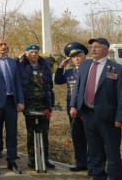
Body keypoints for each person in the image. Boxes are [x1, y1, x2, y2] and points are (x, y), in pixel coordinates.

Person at [70, 37, 122, 180]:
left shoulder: (117, 69)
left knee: (112, 153)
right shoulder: (85, 65)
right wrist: (74, 105)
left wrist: (120, 117)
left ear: (106, 49)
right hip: (88, 115)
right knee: (95, 152)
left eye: (97, 46)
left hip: (109, 118)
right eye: (92, 47)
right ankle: (98, 176)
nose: (93, 49)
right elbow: (78, 87)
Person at [0, 38, 24, 175]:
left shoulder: (12, 62)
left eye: (5, 44)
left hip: (11, 102)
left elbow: (17, 82)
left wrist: (20, 100)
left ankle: (11, 160)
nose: (4, 47)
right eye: (0, 45)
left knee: (12, 133)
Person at [54, 41, 91, 173]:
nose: (76, 59)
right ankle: (81, 163)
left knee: (90, 137)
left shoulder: (91, 70)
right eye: (73, 57)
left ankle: (92, 165)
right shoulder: (69, 72)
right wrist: (61, 66)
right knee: (77, 137)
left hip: (88, 109)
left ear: (84, 55)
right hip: (73, 109)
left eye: (79, 55)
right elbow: (58, 81)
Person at [17, 44, 55, 169]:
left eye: (36, 52)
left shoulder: (44, 66)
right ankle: (32, 159)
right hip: (29, 104)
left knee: (44, 132)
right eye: (31, 52)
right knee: (31, 132)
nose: (34, 54)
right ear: (26, 53)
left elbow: (50, 86)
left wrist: (51, 104)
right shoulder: (21, 66)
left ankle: (45, 158)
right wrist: (19, 58)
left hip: (44, 103)